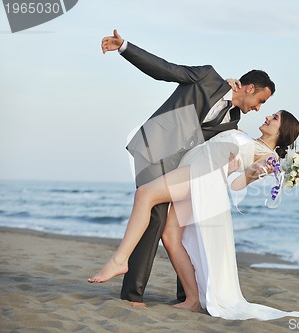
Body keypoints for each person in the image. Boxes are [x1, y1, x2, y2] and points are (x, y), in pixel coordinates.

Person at [88, 111, 299, 323]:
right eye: (271, 114)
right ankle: (192, 299)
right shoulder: (250, 138)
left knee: (145, 195)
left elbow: (238, 185)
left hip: (202, 176)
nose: (267, 117)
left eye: (274, 118)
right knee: (171, 237)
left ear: (281, 130)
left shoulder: (268, 157)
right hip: (198, 172)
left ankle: (119, 259)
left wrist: (254, 172)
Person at [100, 29, 276, 306]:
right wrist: (125, 48)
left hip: (178, 166)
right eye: (261, 101)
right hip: (153, 148)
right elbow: (165, 70)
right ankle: (132, 294)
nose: (258, 108)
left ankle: (187, 296)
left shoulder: (231, 122)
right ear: (249, 88)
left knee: (180, 226)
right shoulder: (208, 77)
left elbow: (217, 150)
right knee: (156, 217)